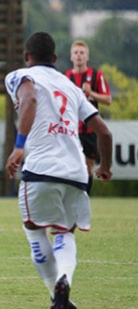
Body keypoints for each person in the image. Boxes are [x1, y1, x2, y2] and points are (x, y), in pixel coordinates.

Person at [4, 31, 113, 309]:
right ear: (55, 58)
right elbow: (104, 131)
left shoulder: (19, 75)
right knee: (64, 232)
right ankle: (65, 280)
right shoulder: (71, 86)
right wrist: (105, 166)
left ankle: (56, 291)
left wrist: (18, 147)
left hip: (40, 169)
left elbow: (29, 100)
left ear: (27, 57)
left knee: (34, 231)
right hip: (76, 172)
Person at [64, 40, 112, 194]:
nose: (79, 56)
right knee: (69, 165)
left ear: (87, 57)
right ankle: (71, 196)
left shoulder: (96, 75)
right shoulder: (66, 77)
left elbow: (108, 99)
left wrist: (91, 93)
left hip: (90, 130)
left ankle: (84, 196)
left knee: (88, 166)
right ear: (71, 57)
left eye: (82, 53)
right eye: (76, 53)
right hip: (71, 128)